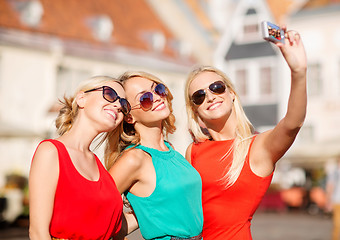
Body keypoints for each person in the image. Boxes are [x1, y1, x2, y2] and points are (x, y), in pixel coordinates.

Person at [184, 26, 307, 240]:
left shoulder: (257, 148)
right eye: (199, 96)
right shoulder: (193, 151)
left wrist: (299, 73)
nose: (210, 96)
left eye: (216, 87)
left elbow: (292, 123)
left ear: (231, 93)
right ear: (195, 109)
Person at [29, 76, 131, 239]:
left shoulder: (100, 168)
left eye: (124, 105)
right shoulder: (51, 152)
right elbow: (38, 232)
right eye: (110, 95)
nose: (118, 105)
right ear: (82, 99)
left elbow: (113, 228)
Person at [106, 71, 203, 240]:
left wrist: (145, 214)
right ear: (129, 117)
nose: (158, 97)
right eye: (145, 99)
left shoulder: (170, 150)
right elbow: (95, 210)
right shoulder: (134, 159)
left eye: (157, 89)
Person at [326, 156, 340, 240]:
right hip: (337, 200)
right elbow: (330, 187)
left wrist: (328, 201)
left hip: (337, 200)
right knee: (337, 223)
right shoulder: (334, 173)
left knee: (337, 223)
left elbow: (330, 187)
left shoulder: (334, 172)